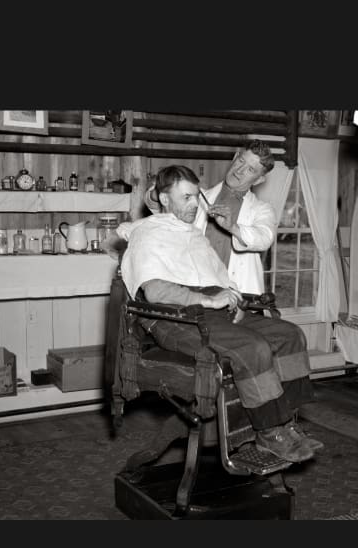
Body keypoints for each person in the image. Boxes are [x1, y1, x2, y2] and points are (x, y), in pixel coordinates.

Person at [119, 165, 323, 463]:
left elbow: (215, 280)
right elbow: (156, 293)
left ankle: (285, 423)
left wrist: (234, 300)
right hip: (174, 319)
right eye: (185, 197)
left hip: (209, 313)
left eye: (195, 197)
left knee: (289, 334)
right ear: (164, 198)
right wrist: (209, 300)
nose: (193, 205)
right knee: (252, 348)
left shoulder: (191, 235)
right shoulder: (148, 235)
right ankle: (269, 432)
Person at [142, 139, 277, 295]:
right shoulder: (199, 198)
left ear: (259, 179)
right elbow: (160, 208)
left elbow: (264, 238)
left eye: (250, 170)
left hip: (241, 294)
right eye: (241, 161)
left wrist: (232, 227)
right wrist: (157, 193)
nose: (239, 171)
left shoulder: (262, 210)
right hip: (197, 291)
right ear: (235, 157)